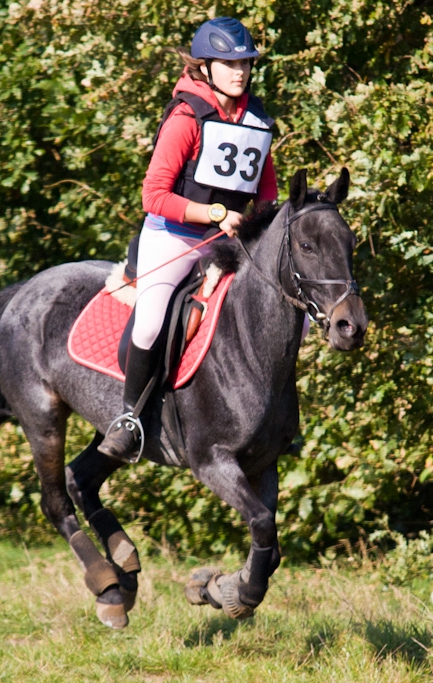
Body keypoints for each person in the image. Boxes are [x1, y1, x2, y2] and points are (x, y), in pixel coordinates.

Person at [98, 17, 279, 461]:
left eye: (246, 63)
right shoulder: (185, 117)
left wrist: (262, 228)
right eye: (229, 63)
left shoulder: (255, 119)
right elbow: (153, 195)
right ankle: (129, 420)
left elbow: (267, 192)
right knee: (152, 320)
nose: (240, 71)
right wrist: (216, 213)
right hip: (175, 236)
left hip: (230, 241)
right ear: (205, 66)